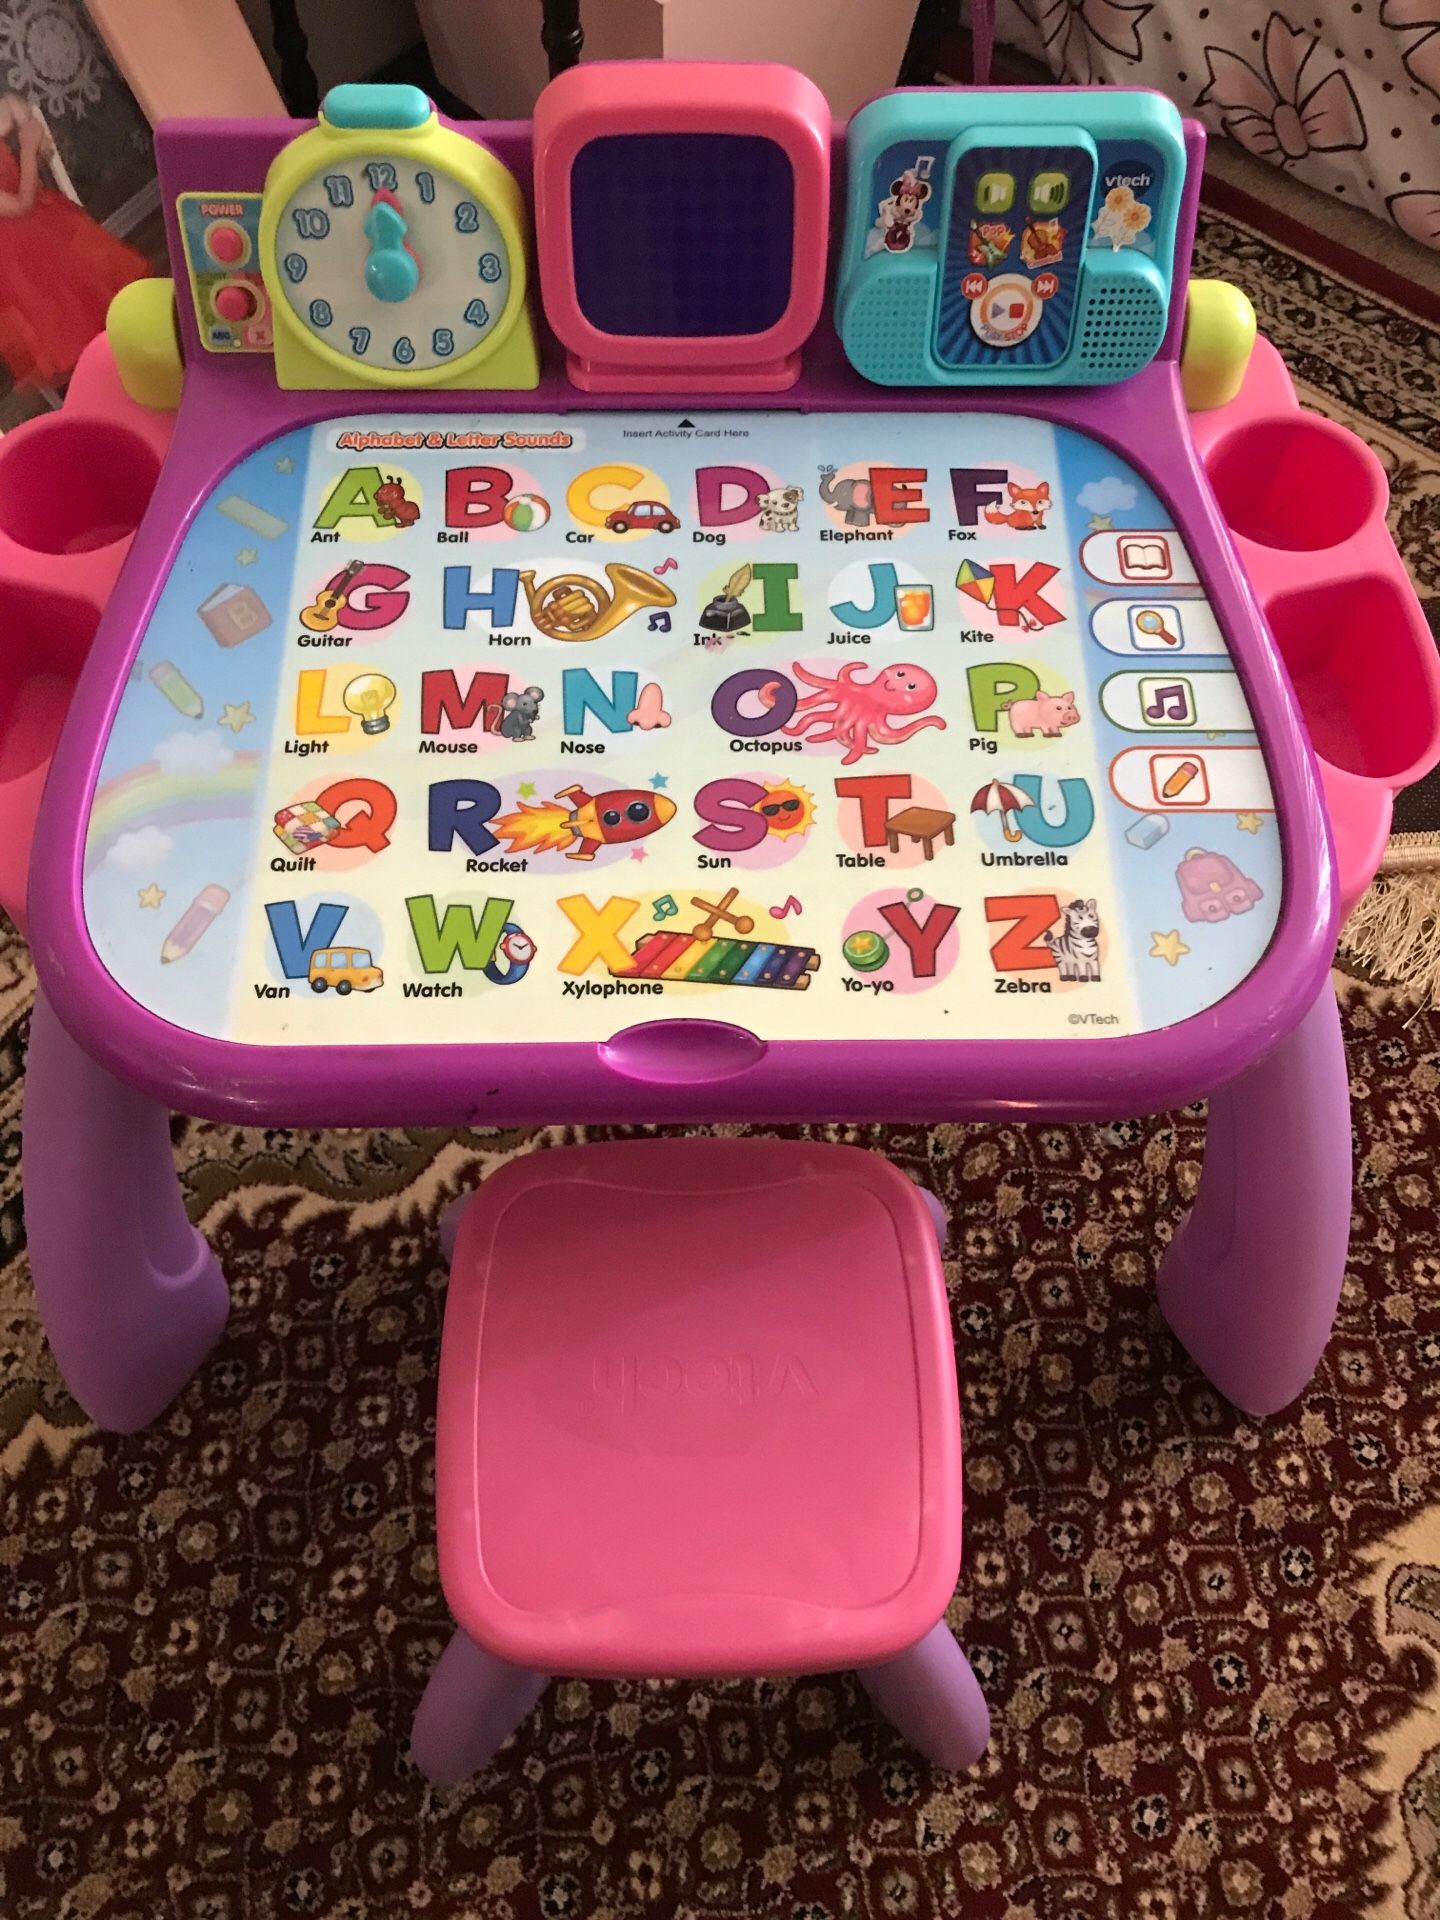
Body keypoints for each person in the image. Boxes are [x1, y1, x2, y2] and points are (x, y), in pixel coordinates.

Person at [0, 92, 149, 390]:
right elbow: (19, 206)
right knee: (64, 313)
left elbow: (20, 123)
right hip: (18, 255)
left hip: (46, 226)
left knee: (92, 278)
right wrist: (28, 149)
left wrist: (26, 125)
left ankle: (133, 349)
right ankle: (103, 378)